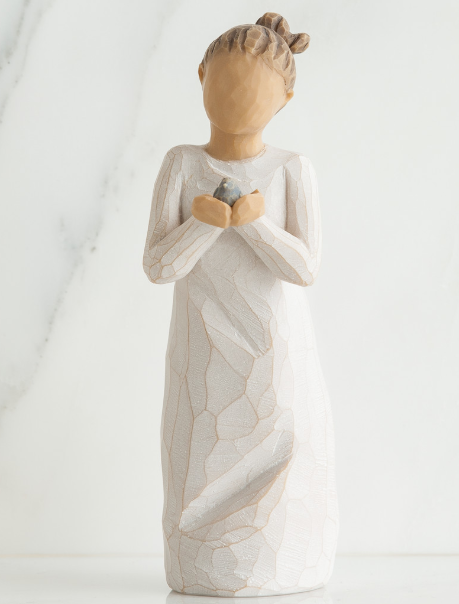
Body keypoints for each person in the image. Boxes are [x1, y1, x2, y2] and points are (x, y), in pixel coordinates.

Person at [143, 12, 339, 597]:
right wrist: (202, 225)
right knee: (195, 459)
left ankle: (288, 559)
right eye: (224, 83)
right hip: (202, 352)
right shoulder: (182, 164)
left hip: (276, 355)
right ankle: (199, 564)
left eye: (252, 89)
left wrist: (255, 225)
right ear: (201, 76)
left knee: (285, 453)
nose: (235, 99)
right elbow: (159, 266)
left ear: (285, 98)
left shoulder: (290, 169)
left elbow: (305, 267)